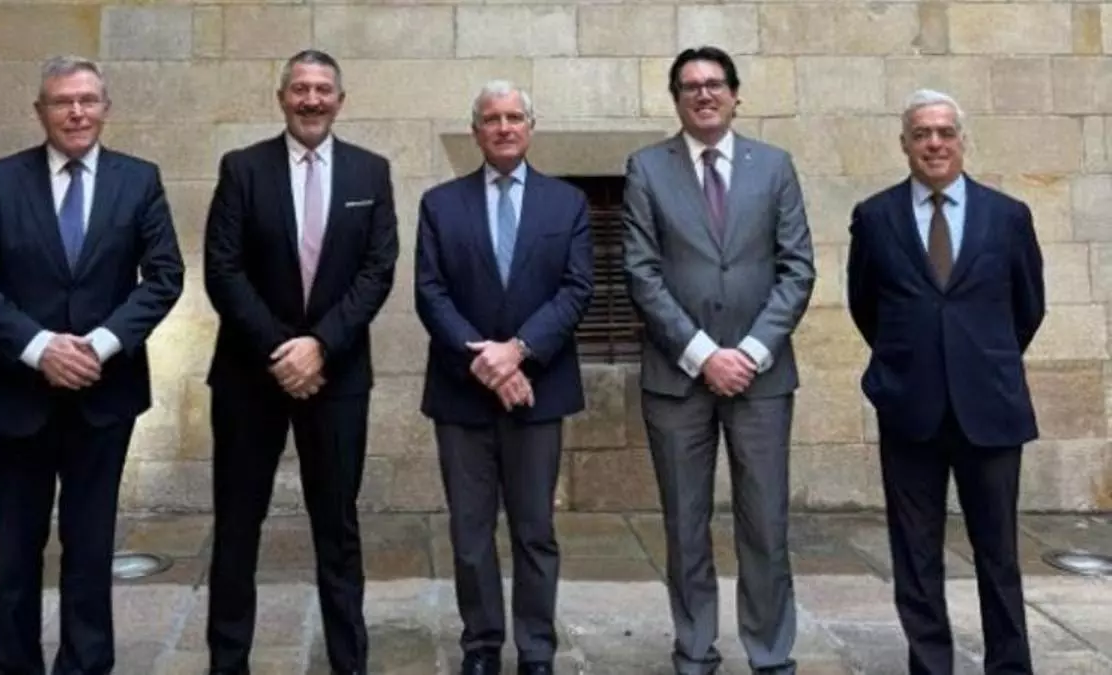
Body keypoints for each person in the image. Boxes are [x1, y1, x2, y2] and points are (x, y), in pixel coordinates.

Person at [0, 54, 184, 674]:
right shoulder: (0, 181)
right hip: (13, 396)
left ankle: (85, 666)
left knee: (90, 547)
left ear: (105, 107)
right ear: (40, 111)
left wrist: (98, 345)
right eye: (62, 101)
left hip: (104, 398)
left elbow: (164, 277)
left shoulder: (140, 180)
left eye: (87, 100)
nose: (76, 112)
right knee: (15, 551)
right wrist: (40, 349)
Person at [202, 48, 398, 675]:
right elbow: (222, 269)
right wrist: (281, 349)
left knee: (337, 528)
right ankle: (227, 662)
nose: (311, 100)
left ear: (341, 100)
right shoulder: (242, 168)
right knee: (238, 526)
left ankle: (349, 661)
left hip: (337, 377)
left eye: (322, 90)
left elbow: (377, 271)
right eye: (300, 89)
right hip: (249, 376)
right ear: (281, 97)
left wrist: (321, 346)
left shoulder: (371, 172)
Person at [622, 46, 816, 675]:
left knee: (766, 523)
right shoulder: (647, 168)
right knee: (685, 524)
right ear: (676, 99)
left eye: (714, 84)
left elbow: (797, 268)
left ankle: (770, 652)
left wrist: (751, 353)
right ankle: (695, 649)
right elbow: (641, 273)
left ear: (735, 95)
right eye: (690, 86)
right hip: (678, 378)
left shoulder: (775, 166)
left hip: (762, 379)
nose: (703, 94)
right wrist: (704, 355)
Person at [846, 89, 1045, 675]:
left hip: (990, 408)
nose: (934, 143)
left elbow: (1027, 307)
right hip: (911, 408)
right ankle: (931, 666)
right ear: (904, 144)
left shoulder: (1007, 216)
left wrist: (980, 359)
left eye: (945, 132)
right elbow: (865, 306)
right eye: (921, 134)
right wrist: (910, 363)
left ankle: (1009, 666)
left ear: (962, 141)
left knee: (999, 554)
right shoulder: (875, 217)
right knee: (915, 556)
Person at [414, 80, 593, 675]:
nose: (504, 127)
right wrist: (488, 365)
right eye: (491, 119)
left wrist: (518, 353)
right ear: (476, 132)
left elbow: (576, 289)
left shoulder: (566, 203)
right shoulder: (441, 204)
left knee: (535, 530)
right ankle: (481, 647)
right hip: (461, 394)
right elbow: (431, 293)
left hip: (539, 390)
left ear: (530, 127)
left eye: (515, 117)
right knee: (470, 533)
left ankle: (536, 650)